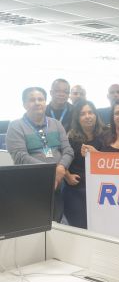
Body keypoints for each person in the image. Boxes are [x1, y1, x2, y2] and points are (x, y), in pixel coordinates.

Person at [6, 87, 73, 222]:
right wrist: (50, 171)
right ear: (24, 104)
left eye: (40, 99)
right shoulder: (16, 126)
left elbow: (68, 150)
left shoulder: (56, 124)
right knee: (35, 223)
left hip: (58, 183)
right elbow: (20, 156)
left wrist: (61, 168)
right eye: (32, 100)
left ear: (45, 102)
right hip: (32, 185)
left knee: (57, 222)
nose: (37, 103)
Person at [64, 100, 108, 229]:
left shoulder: (107, 134)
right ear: (77, 118)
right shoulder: (70, 137)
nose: (87, 116)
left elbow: (113, 160)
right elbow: (61, 158)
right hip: (77, 189)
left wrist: (96, 155)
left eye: (90, 112)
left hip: (101, 189)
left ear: (96, 115)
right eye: (82, 114)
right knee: (80, 227)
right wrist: (67, 175)